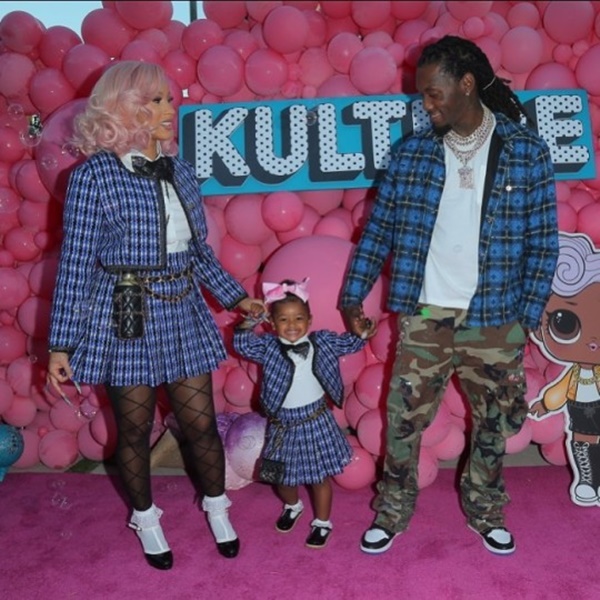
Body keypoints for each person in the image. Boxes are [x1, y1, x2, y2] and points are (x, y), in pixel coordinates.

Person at [340, 35, 559, 556]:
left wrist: (526, 315)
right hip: (426, 312)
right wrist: (353, 294)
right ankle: (392, 512)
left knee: (494, 423)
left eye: (434, 93)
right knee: (403, 419)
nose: (426, 104)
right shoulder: (411, 153)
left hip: (495, 315)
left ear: (466, 84)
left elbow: (543, 242)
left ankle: (485, 511)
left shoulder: (525, 151)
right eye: (422, 94)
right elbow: (379, 230)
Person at [46, 61, 263, 570]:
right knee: (134, 428)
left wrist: (236, 298)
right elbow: (76, 263)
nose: (170, 108)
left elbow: (199, 252)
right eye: (157, 100)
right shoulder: (93, 177)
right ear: (124, 108)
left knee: (201, 423)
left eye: (169, 98)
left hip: (182, 308)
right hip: (125, 314)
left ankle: (217, 508)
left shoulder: (180, 171)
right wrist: (61, 343)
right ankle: (146, 519)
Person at [233, 279, 375, 548]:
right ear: (271, 323)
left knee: (319, 477)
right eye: (283, 319)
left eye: (299, 318)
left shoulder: (322, 342)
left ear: (310, 320)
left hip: (315, 421)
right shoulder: (268, 347)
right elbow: (243, 346)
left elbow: (350, 343)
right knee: (280, 476)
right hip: (282, 424)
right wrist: (248, 322)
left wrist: (363, 333)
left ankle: (322, 522)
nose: (292, 325)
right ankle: (293, 505)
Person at [529, 233, 600, 507]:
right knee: (583, 443)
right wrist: (546, 405)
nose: (592, 342)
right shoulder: (574, 374)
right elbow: (561, 387)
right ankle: (588, 481)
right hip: (581, 407)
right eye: (565, 323)